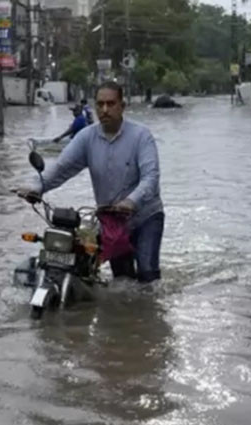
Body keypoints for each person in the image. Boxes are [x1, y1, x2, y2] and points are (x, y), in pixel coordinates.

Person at [20, 81, 164, 283]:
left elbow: (151, 177)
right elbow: (62, 168)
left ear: (122, 106)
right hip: (112, 221)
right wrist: (37, 187)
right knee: (122, 282)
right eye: (100, 104)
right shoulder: (86, 137)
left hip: (146, 216)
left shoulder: (141, 136)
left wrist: (130, 202)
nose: (105, 110)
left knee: (147, 274)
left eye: (111, 104)